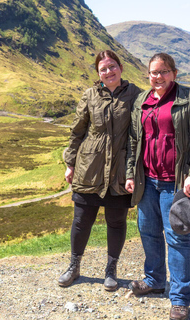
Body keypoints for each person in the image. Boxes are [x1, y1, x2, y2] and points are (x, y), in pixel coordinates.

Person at [125, 53, 190, 320]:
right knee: (148, 232)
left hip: (177, 183)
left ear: (174, 73)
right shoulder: (142, 101)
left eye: (164, 71)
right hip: (147, 181)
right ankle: (154, 281)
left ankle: (179, 299)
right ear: (148, 75)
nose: (158, 77)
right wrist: (132, 172)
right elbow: (134, 141)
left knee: (177, 237)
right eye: (154, 72)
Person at [59, 50, 141, 291]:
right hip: (90, 167)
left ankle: (111, 270)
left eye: (112, 66)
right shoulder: (90, 95)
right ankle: (74, 266)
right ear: (98, 73)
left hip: (120, 169)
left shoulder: (135, 94)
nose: (109, 72)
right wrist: (70, 163)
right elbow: (77, 131)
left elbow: (161, 99)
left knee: (116, 221)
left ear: (121, 67)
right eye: (103, 69)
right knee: (81, 220)